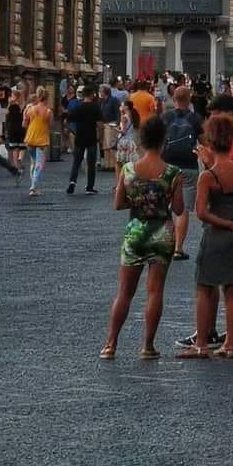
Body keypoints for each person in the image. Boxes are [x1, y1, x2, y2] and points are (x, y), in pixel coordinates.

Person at [101, 115, 183, 360]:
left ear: (142, 141)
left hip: (135, 231)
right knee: (155, 291)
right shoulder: (172, 173)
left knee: (125, 291)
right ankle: (148, 345)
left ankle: (110, 344)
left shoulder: (128, 170)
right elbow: (178, 209)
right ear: (163, 141)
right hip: (162, 233)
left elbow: (118, 204)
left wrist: (138, 201)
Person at [176, 112, 233, 360]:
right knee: (232, 290)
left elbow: (201, 213)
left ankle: (201, 344)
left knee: (205, 289)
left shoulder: (208, 176)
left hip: (217, 237)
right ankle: (229, 344)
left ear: (209, 140)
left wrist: (226, 224)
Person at [163, 85, 204, 260]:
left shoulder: (165, 117)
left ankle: (165, 244)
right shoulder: (195, 118)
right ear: (189, 99)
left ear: (174, 99)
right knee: (184, 209)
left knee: (164, 207)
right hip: (188, 165)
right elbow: (203, 141)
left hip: (167, 165)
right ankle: (178, 248)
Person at [66, 86, 102, 195]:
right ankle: (89, 187)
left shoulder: (78, 108)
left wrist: (74, 132)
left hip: (79, 137)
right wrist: (100, 137)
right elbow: (100, 125)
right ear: (91, 94)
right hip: (91, 138)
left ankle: (72, 181)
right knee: (91, 164)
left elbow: (67, 122)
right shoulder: (95, 108)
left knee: (76, 162)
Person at [23, 87, 52, 197]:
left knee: (33, 162)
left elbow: (24, 124)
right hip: (42, 139)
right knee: (39, 164)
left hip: (30, 137)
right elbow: (50, 125)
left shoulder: (31, 109)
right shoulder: (48, 111)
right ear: (47, 98)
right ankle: (33, 187)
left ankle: (33, 186)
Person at [4, 86, 27, 178]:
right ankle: (20, 158)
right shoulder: (23, 105)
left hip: (12, 128)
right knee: (22, 146)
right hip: (21, 128)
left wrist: (9, 103)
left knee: (14, 148)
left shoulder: (11, 106)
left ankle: (16, 166)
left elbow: (6, 115)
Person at [99, 84, 121, 172]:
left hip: (112, 125)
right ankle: (107, 164)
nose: (100, 93)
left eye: (101, 91)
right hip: (104, 125)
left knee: (111, 146)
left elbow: (117, 113)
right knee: (105, 146)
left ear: (105, 92)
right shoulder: (102, 101)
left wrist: (117, 123)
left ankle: (112, 164)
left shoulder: (113, 100)